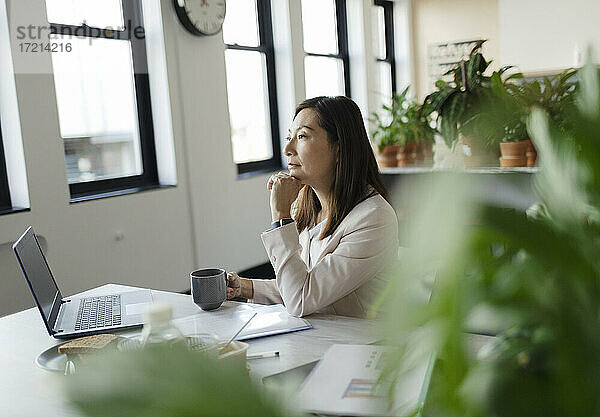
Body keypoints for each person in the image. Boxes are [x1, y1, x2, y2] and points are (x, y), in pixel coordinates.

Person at [226, 96, 399, 318]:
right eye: (289, 137)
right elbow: (300, 285)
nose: (287, 148)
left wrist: (280, 217)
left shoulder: (373, 218)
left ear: (338, 148)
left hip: (366, 346)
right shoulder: (305, 207)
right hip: (321, 338)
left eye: (302, 136)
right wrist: (244, 286)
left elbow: (301, 299)